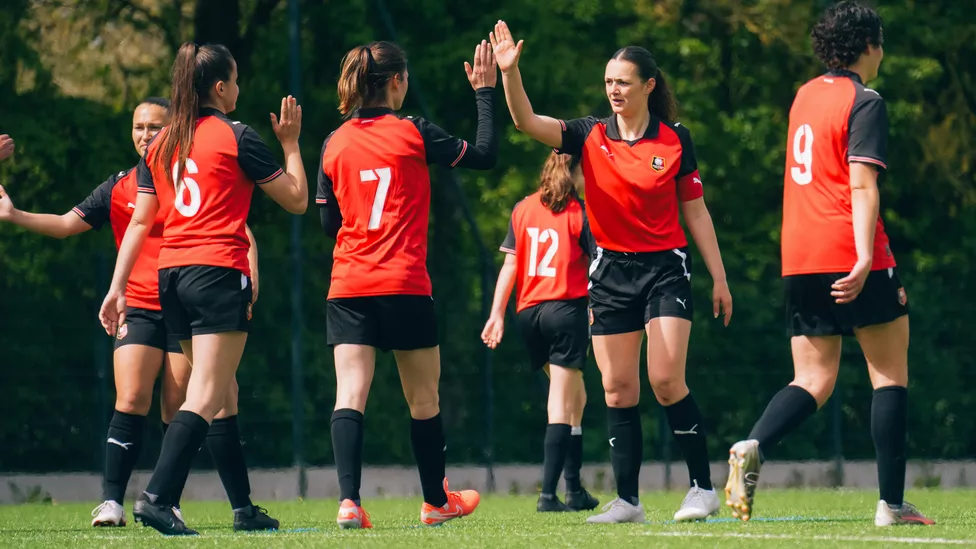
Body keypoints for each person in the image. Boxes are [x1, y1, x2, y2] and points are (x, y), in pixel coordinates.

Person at [491, 21, 733, 523]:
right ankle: (628, 501)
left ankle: (702, 488)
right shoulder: (588, 134)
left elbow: (697, 211)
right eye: (608, 82)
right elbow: (526, 122)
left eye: (623, 81)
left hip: (666, 269)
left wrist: (720, 277)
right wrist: (510, 75)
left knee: (666, 380)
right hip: (609, 276)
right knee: (618, 389)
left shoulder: (675, 140)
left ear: (648, 85)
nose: (614, 90)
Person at [0, 98, 272, 531]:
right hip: (142, 304)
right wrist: (13, 215)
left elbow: (238, 224)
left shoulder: (188, 176)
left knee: (184, 403)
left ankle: (175, 502)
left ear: (174, 131)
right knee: (130, 398)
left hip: (184, 300)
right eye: (139, 127)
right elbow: (68, 222)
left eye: (154, 126)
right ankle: (112, 502)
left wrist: (250, 269)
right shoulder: (120, 186)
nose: (146, 135)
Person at [724, 2, 933, 527]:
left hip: (798, 254)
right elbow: (862, 182)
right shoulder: (865, 100)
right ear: (867, 46)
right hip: (850, 248)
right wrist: (865, 255)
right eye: (880, 44)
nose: (882, 54)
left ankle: (753, 444)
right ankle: (890, 504)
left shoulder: (804, 95)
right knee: (889, 376)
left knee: (813, 379)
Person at [98, 43, 308, 536]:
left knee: (220, 392)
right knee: (207, 393)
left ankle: (243, 508)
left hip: (169, 276)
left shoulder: (162, 143)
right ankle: (157, 498)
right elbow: (297, 200)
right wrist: (293, 143)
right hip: (216, 272)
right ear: (220, 87)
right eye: (234, 80)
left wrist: (117, 287)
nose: (238, 88)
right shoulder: (237, 136)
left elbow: (140, 221)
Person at [317, 40, 497, 528]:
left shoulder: (334, 141)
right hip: (403, 283)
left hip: (349, 283)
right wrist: (484, 92)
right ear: (396, 81)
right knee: (423, 399)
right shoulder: (412, 130)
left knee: (350, 392)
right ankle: (436, 502)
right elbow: (483, 154)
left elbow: (328, 223)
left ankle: (349, 503)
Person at [481, 152, 600, 513]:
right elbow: (597, 268)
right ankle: (549, 495)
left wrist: (496, 314)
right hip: (565, 310)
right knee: (561, 403)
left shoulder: (523, 208)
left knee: (575, 398)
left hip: (529, 314)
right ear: (575, 173)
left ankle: (575, 489)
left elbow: (511, 263)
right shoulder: (581, 212)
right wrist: (596, 309)